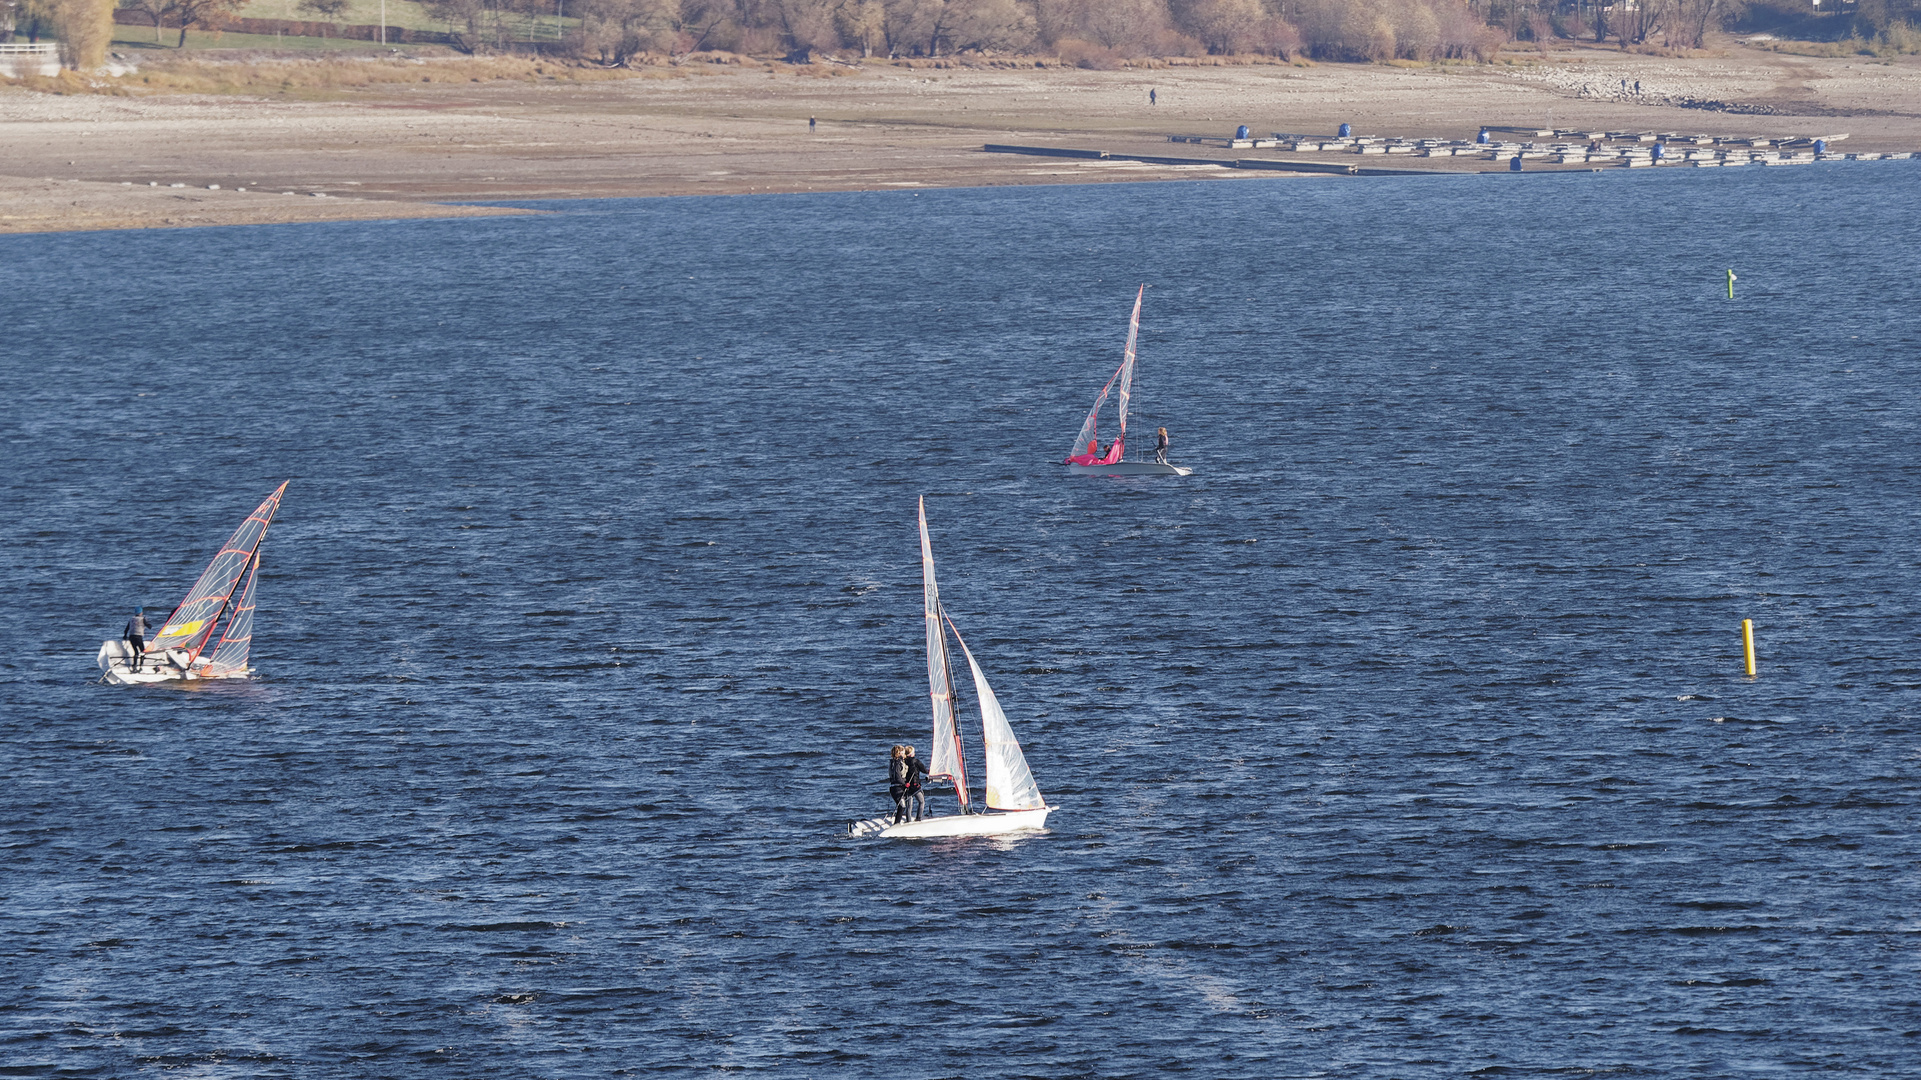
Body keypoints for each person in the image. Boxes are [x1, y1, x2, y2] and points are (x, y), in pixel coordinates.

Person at [902, 745, 931, 821]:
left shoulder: (903, 761)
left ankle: (908, 820)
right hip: (915, 786)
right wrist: (931, 771)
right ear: (911, 754)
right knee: (921, 802)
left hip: (906, 785)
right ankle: (918, 818)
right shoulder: (916, 761)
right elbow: (924, 770)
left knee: (909, 805)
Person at [888, 744, 911, 824]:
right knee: (902, 806)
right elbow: (897, 776)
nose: (904, 754)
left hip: (895, 787)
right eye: (903, 752)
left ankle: (897, 822)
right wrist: (905, 784)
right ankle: (896, 823)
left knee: (902, 806)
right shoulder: (897, 763)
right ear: (899, 753)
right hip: (897, 788)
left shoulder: (894, 762)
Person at [124, 607, 148, 671]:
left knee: (136, 652)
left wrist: (125, 635)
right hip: (138, 637)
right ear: (141, 613)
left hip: (131, 637)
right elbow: (148, 625)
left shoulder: (131, 619)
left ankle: (134, 665)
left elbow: (126, 629)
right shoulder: (143, 619)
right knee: (143, 652)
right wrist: (150, 626)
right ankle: (140, 666)